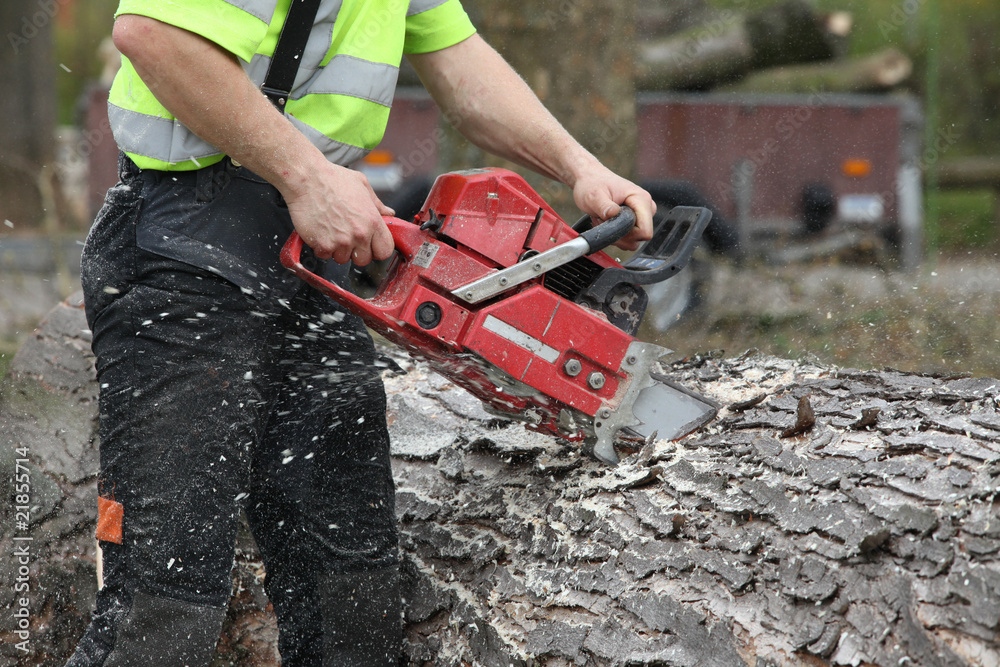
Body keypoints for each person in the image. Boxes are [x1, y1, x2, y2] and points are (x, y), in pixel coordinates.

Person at [67, 1, 656, 665]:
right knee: (160, 613)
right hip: (184, 253)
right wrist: (308, 176)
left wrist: (579, 166)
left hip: (311, 258)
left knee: (351, 602)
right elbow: (154, 34)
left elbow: (461, 67)